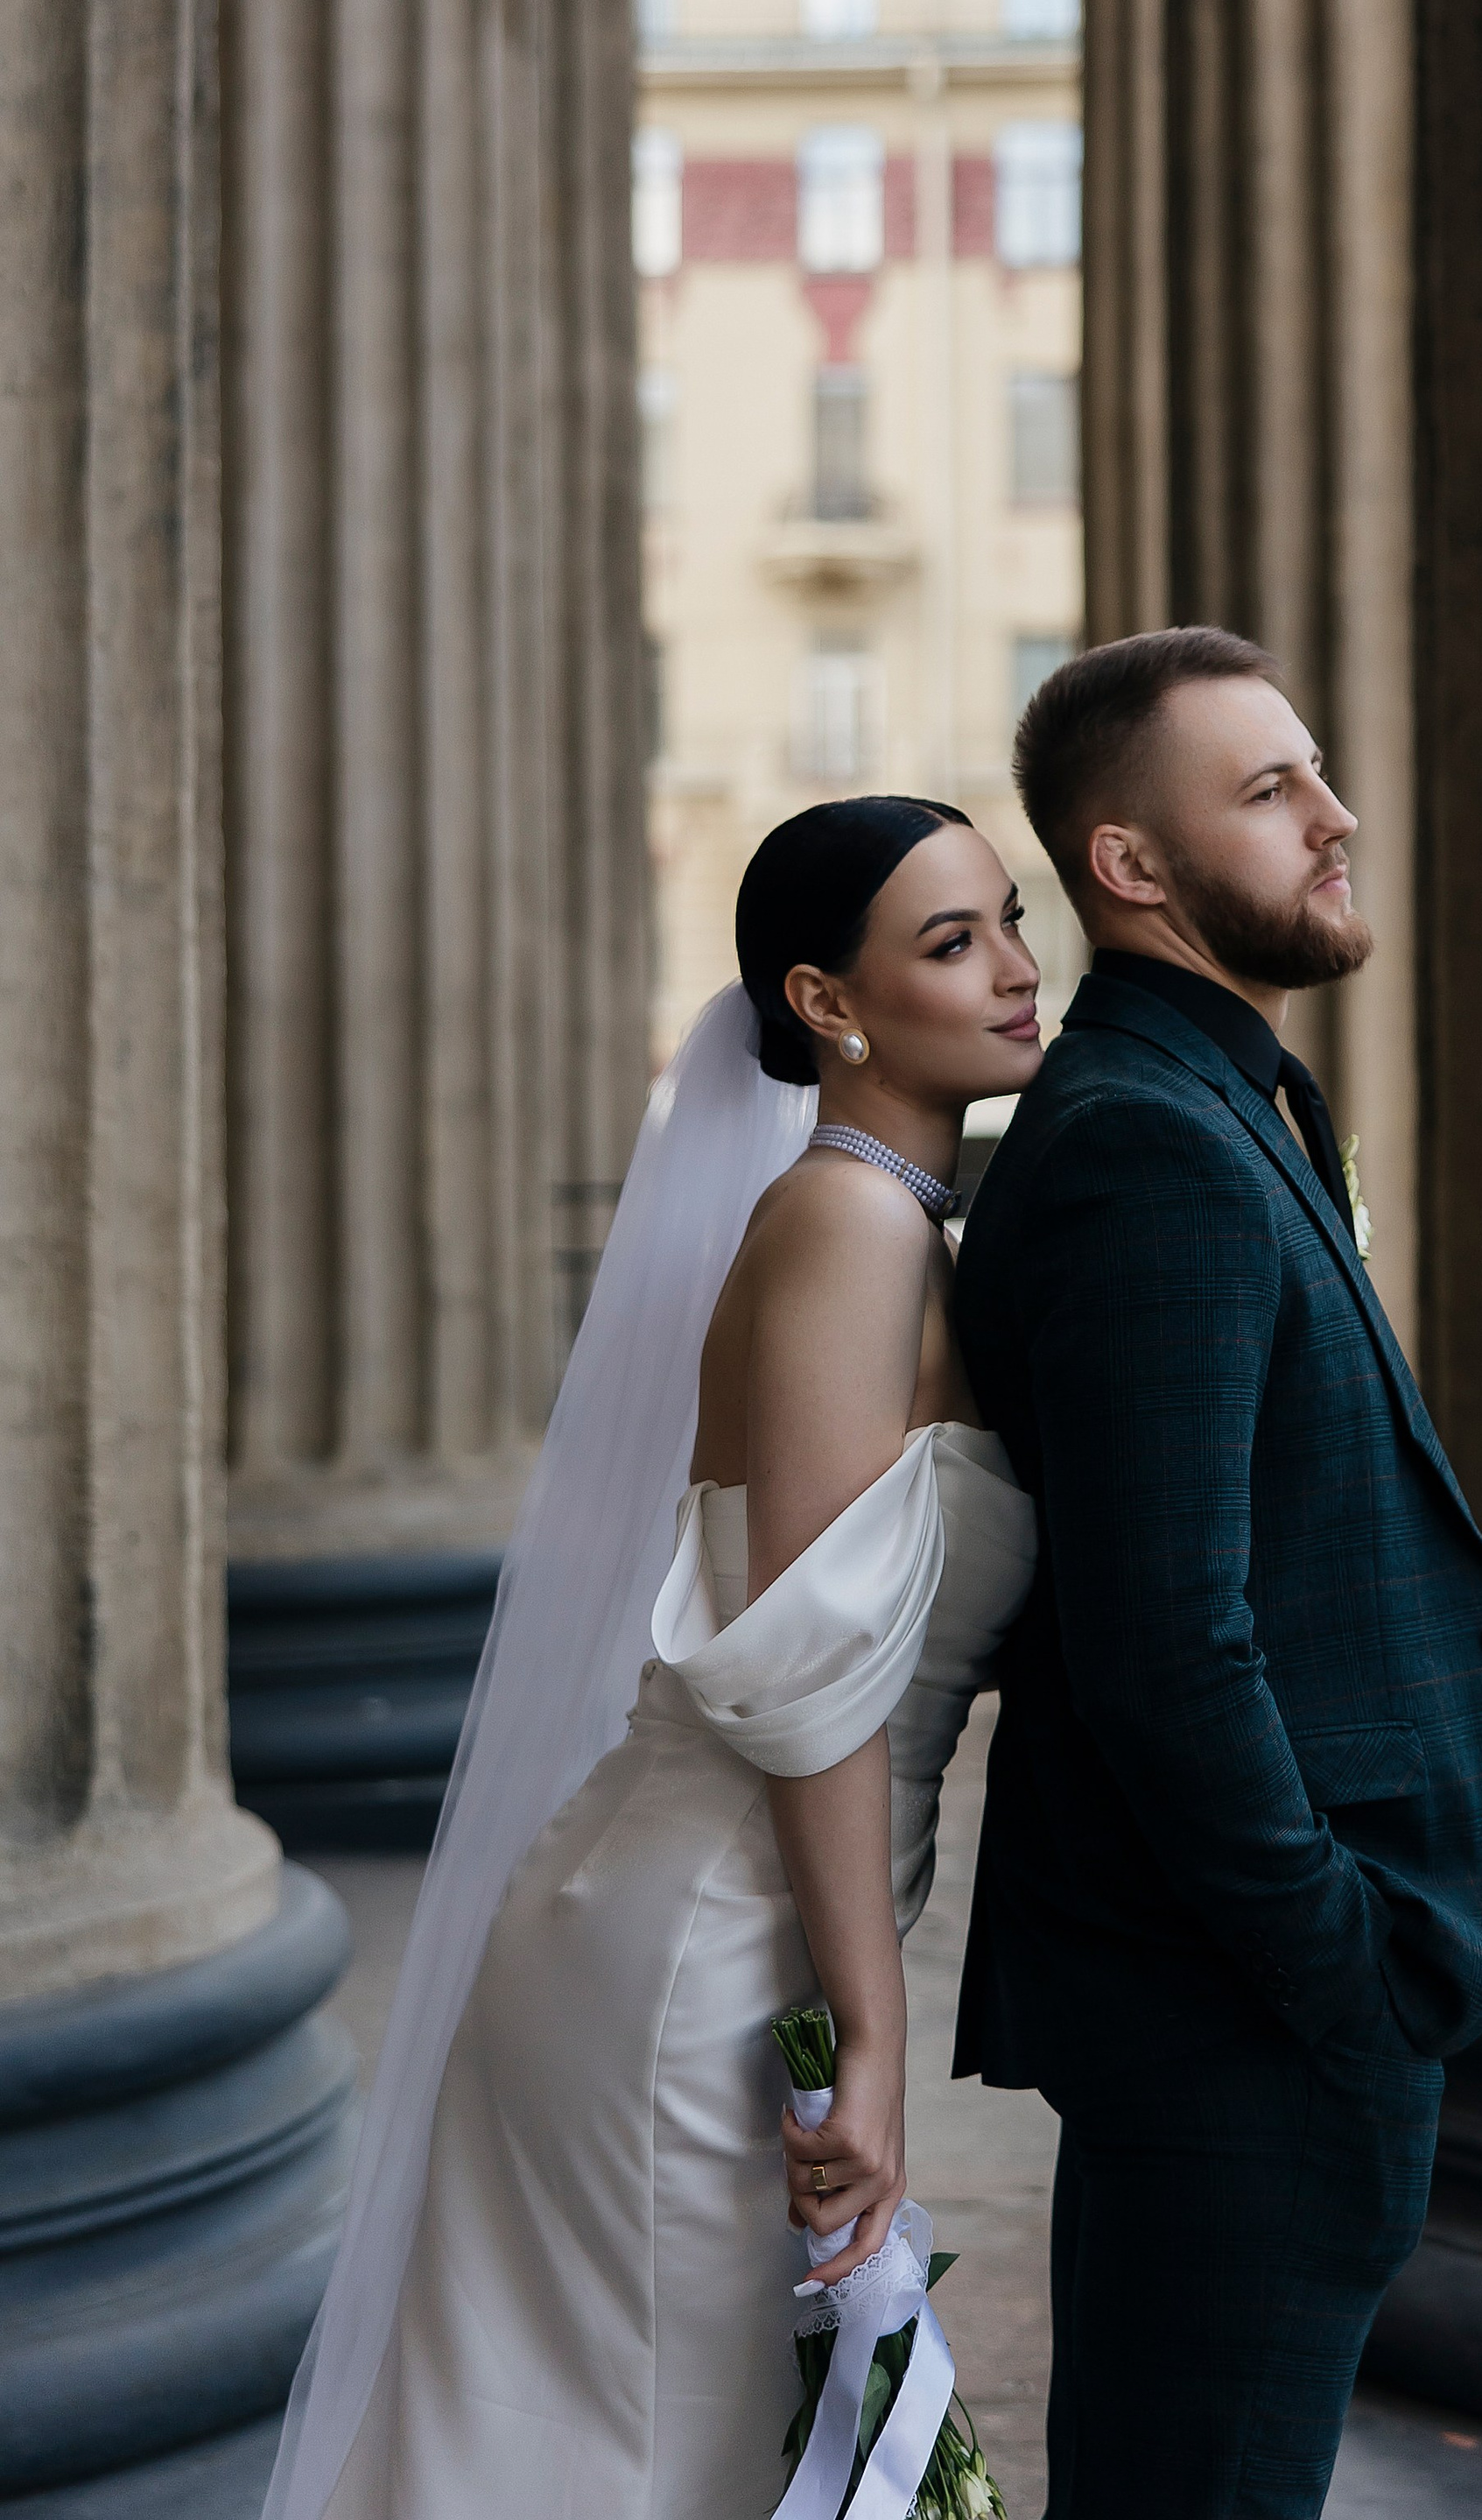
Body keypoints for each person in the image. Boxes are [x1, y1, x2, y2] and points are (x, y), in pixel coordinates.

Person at [265, 796, 1044, 2520]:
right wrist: (868, 2034)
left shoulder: (882, 1221)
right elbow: (810, 1685)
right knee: (646, 2461)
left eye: (1005, 918)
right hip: (710, 1955)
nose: (1013, 967)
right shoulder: (847, 1227)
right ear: (825, 1002)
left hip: (693, 1912)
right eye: (949, 941)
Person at [952, 626, 1482, 2520]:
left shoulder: (1211, 1104)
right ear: (1129, 865)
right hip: (1244, 2022)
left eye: (1313, 770)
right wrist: (1338, 1972)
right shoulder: (1147, 1145)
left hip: (1259, 2012)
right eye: (1269, 787)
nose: (1334, 812)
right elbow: (1162, 1644)